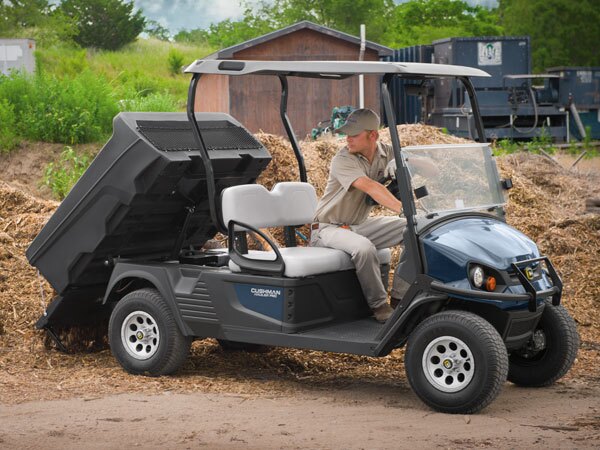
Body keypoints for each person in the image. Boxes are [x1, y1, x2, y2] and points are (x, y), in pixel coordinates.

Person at [310, 108, 406, 323]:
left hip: (358, 224)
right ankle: (380, 307)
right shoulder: (343, 159)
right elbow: (370, 186)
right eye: (347, 134)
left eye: (354, 134)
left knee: (413, 228)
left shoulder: (387, 153)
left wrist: (405, 161)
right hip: (327, 228)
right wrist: (404, 209)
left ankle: (400, 298)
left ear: (373, 135)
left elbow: (430, 170)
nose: (348, 139)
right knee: (364, 248)